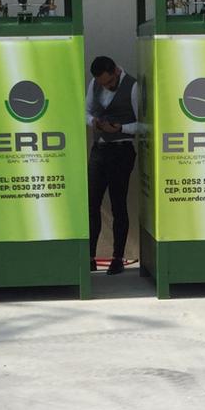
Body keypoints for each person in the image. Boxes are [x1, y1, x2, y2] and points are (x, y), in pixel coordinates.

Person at [86, 55, 140, 274]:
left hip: (121, 150)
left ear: (117, 71)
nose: (105, 86)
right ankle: (89, 256)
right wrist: (95, 122)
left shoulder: (133, 87)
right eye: (102, 83)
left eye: (108, 82)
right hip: (99, 149)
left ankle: (117, 258)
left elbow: (145, 124)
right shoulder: (95, 84)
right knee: (92, 204)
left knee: (118, 205)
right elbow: (87, 111)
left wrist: (120, 129)